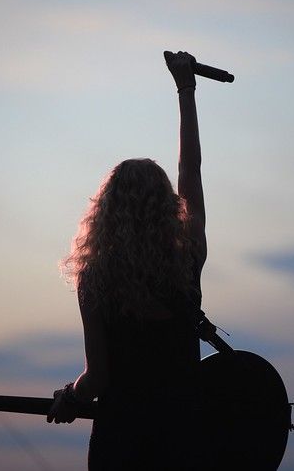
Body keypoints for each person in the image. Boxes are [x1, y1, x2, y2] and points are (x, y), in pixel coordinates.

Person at [47, 51, 207, 470]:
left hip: (122, 445)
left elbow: (97, 379)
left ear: (106, 210)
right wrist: (186, 89)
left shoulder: (96, 279)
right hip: (185, 442)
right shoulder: (186, 258)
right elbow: (191, 170)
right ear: (167, 207)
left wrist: (70, 395)